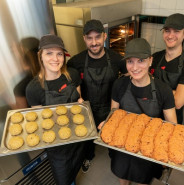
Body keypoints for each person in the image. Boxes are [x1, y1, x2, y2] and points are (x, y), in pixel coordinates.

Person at [108, 38, 177, 185]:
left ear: (150, 61)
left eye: (141, 60)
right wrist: (107, 125)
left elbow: (172, 125)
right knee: (123, 177)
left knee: (143, 179)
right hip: (123, 147)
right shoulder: (119, 85)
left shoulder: (163, 90)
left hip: (148, 148)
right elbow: (114, 113)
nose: (134, 67)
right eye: (130, 61)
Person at [67, 19, 127, 173]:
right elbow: (71, 85)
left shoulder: (117, 59)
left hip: (110, 109)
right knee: (87, 142)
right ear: (84, 39)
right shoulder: (75, 61)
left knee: (113, 141)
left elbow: (129, 78)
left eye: (97, 37)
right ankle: (89, 157)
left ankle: (114, 157)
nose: (94, 42)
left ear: (104, 36)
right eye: (89, 38)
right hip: (87, 110)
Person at [26, 34, 85, 185]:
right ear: (41, 56)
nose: (55, 58)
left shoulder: (72, 74)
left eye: (59, 53)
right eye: (49, 53)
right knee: (64, 180)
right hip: (57, 149)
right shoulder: (34, 88)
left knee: (75, 169)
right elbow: (40, 124)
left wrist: (81, 103)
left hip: (77, 139)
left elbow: (78, 100)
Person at [150, 13, 184, 124]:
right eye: (167, 31)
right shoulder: (155, 57)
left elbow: (177, 102)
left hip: (171, 121)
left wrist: (152, 83)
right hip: (150, 116)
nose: (170, 36)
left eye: (176, 31)